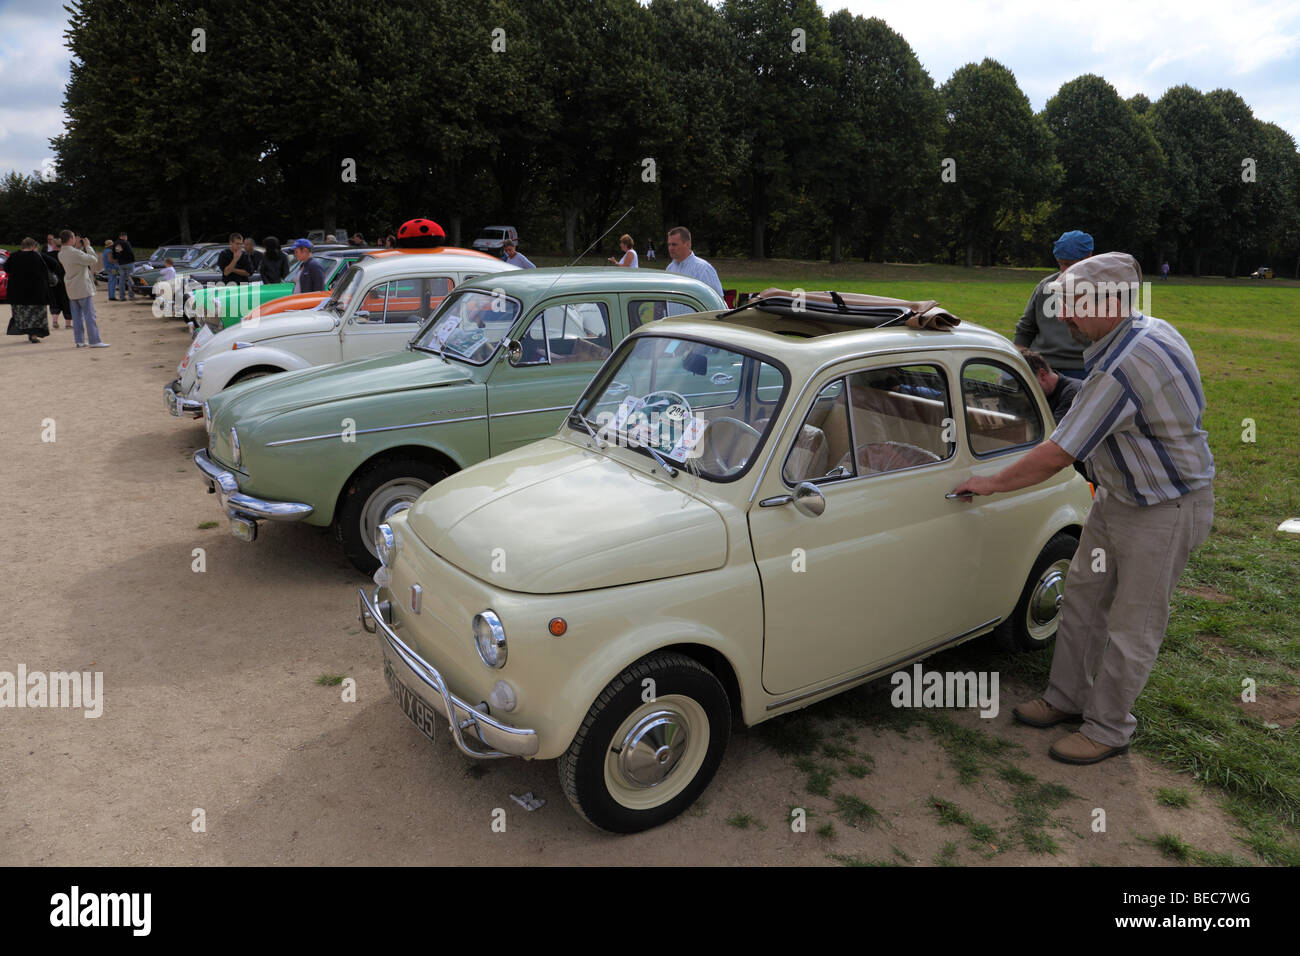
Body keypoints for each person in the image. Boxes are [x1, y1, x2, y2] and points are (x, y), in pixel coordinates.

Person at [953, 252, 1215, 766]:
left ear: (1109, 302)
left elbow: (1058, 453)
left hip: (1163, 509)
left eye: (1072, 305)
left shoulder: (1128, 362)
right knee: (1082, 599)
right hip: (1121, 498)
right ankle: (1066, 698)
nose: (1063, 316)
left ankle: (1109, 728)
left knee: (1132, 626)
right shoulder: (1135, 333)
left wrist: (989, 483)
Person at [1013, 230, 1093, 380]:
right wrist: (1019, 361)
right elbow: (1025, 329)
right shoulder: (1046, 286)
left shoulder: (1104, 289)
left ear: (1088, 257)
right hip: (1042, 366)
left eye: (1069, 264)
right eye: (1060, 263)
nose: (1063, 270)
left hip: (1083, 368)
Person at [58, 229, 108, 348]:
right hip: (82, 287)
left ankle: (79, 341)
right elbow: (93, 259)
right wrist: (89, 247)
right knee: (89, 315)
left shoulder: (61, 253)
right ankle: (94, 340)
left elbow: (79, 258)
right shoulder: (74, 252)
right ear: (70, 239)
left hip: (71, 287)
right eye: (74, 237)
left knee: (77, 317)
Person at [3, 237, 53, 342]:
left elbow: (6, 268)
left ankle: (27, 331)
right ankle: (33, 334)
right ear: (33, 246)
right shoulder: (36, 256)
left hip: (18, 291)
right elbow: (46, 269)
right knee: (35, 313)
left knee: (23, 313)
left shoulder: (14, 256)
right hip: (35, 291)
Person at [1018, 347, 1080, 424]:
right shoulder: (1043, 392)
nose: (1026, 390)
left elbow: (1053, 432)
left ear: (1042, 374)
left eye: (1029, 384)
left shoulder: (1073, 392)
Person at [664, 226, 722, 295]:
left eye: (674, 244)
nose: (670, 248)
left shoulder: (703, 269)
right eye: (669, 245)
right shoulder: (670, 269)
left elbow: (717, 300)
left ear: (687, 244)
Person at [47, 238, 71, 328]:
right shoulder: (65, 255)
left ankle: (55, 321)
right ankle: (68, 324)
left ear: (53, 245)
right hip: (65, 281)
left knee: (54, 301)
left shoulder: (47, 255)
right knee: (66, 301)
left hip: (52, 282)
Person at [112, 231, 136, 300]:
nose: (127, 238)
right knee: (130, 280)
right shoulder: (126, 243)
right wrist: (133, 260)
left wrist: (118, 260)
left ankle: (122, 297)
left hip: (121, 264)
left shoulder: (115, 244)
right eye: (126, 237)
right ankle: (131, 296)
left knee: (121, 281)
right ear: (124, 236)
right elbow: (131, 252)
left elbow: (114, 254)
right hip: (129, 263)